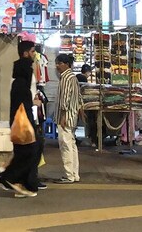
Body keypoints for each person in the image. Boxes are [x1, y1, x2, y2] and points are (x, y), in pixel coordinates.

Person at [0, 41, 40, 198]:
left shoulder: (19, 79)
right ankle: (10, 177)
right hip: (22, 122)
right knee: (29, 151)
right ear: (25, 53)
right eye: (32, 51)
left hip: (21, 120)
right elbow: (23, 106)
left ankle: (20, 183)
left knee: (26, 152)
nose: (34, 54)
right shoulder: (22, 81)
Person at [54, 53, 83, 184]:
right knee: (71, 145)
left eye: (59, 63)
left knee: (65, 145)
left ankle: (69, 175)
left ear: (66, 64)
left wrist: (63, 116)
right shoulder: (73, 77)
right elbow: (78, 96)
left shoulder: (66, 77)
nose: (57, 66)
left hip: (65, 117)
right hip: (72, 116)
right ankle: (74, 174)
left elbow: (65, 98)